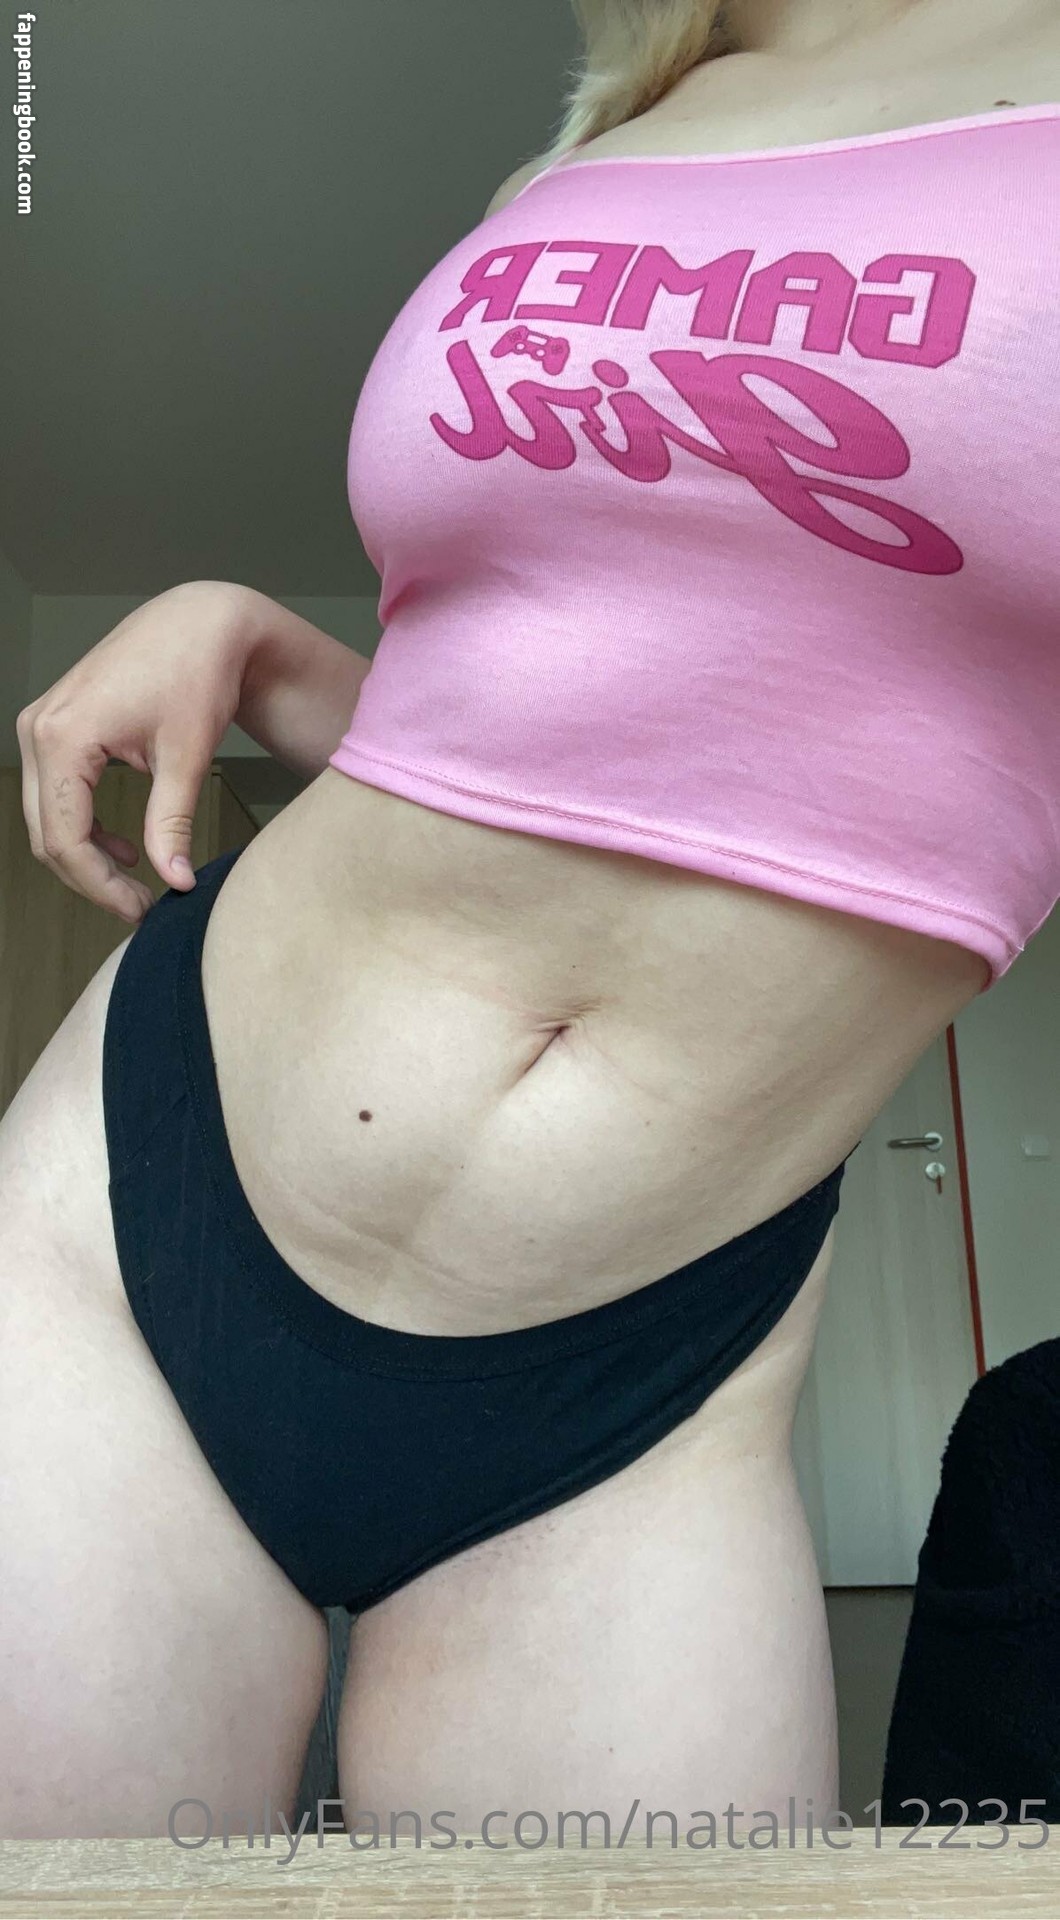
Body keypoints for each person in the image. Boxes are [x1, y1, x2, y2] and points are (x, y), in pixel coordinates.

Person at [2, 0, 1057, 1842]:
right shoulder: (611, 138)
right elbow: (575, 733)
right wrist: (252, 633)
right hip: (142, 1196)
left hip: (643, 1366)